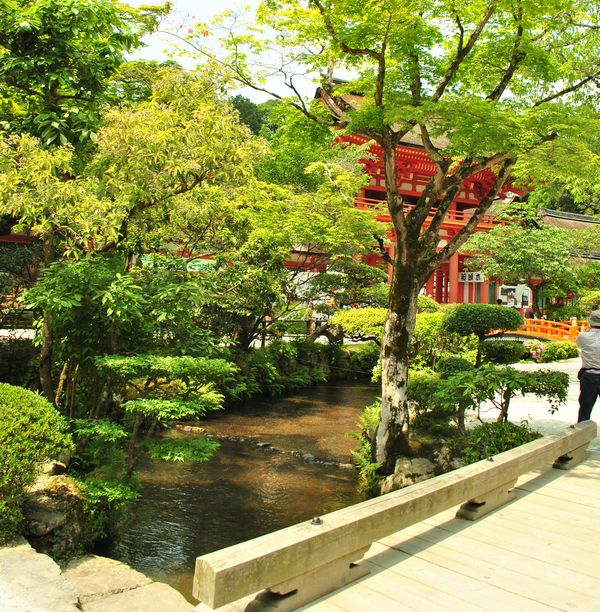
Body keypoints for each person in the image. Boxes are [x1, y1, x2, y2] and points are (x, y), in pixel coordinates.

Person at [576, 310, 600, 422]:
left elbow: (579, 344)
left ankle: (581, 436)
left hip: (589, 376)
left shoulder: (583, 336)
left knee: (585, 409)